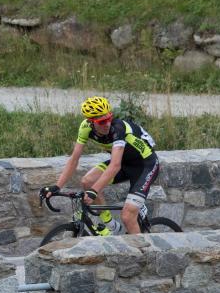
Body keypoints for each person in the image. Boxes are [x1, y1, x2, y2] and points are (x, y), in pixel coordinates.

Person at [41, 96, 159, 235]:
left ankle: (143, 255)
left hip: (146, 165)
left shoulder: (118, 128)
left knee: (128, 216)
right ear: (91, 122)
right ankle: (111, 226)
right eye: (102, 121)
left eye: (109, 118)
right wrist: (57, 186)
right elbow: (74, 159)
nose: (107, 124)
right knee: (87, 181)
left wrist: (94, 191)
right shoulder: (85, 128)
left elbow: (114, 166)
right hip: (124, 162)